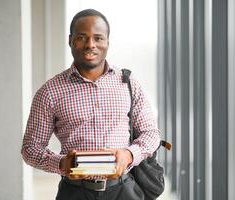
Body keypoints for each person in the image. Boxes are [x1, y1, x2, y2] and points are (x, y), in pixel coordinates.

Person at [21, 9, 161, 200]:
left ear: (107, 42)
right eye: (82, 37)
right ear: (70, 40)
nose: (90, 45)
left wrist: (129, 155)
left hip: (123, 190)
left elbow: (151, 134)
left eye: (98, 38)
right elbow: (30, 149)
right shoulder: (50, 91)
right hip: (74, 192)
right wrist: (62, 163)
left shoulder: (127, 83)